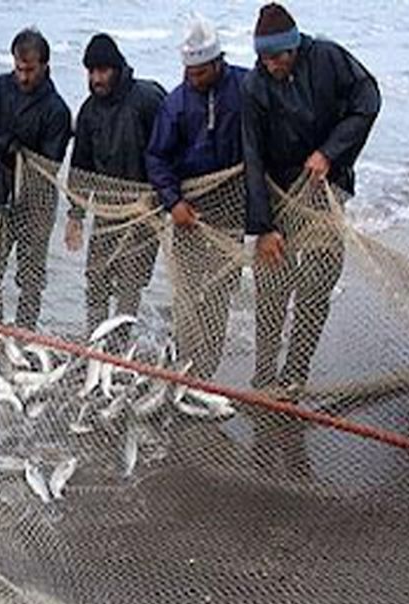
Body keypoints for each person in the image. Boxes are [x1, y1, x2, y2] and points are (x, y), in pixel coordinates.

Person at [242, 3, 380, 399]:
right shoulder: (254, 86)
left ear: (294, 47)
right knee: (271, 288)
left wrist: (330, 152)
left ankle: (295, 375)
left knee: (317, 282)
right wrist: (263, 227)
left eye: (276, 58)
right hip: (279, 192)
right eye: (262, 59)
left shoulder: (328, 58)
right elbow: (252, 157)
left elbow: (368, 100)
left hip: (325, 189)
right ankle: (264, 376)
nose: (270, 66)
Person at [146, 16, 248, 379]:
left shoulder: (246, 86)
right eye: (188, 71)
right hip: (188, 210)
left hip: (231, 210)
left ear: (218, 63)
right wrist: (173, 202)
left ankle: (206, 371)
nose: (193, 78)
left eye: (201, 72)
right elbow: (156, 158)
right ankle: (184, 363)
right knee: (186, 291)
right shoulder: (175, 104)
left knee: (219, 294)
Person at [0, 27, 72, 330]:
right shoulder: (1, 87)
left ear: (45, 67)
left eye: (30, 70)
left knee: (31, 277)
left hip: (36, 201)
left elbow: (49, 164)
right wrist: (8, 147)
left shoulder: (57, 111)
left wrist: (21, 156)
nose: (23, 77)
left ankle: (25, 333)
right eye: (18, 69)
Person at [65, 33, 166, 340]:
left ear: (118, 69)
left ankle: (121, 352)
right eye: (92, 71)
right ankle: (95, 341)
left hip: (145, 212)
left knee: (130, 282)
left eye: (103, 70)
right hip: (107, 213)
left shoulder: (148, 99)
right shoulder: (88, 112)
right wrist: (75, 215)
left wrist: (164, 198)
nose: (97, 78)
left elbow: (167, 150)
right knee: (96, 278)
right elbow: (80, 166)